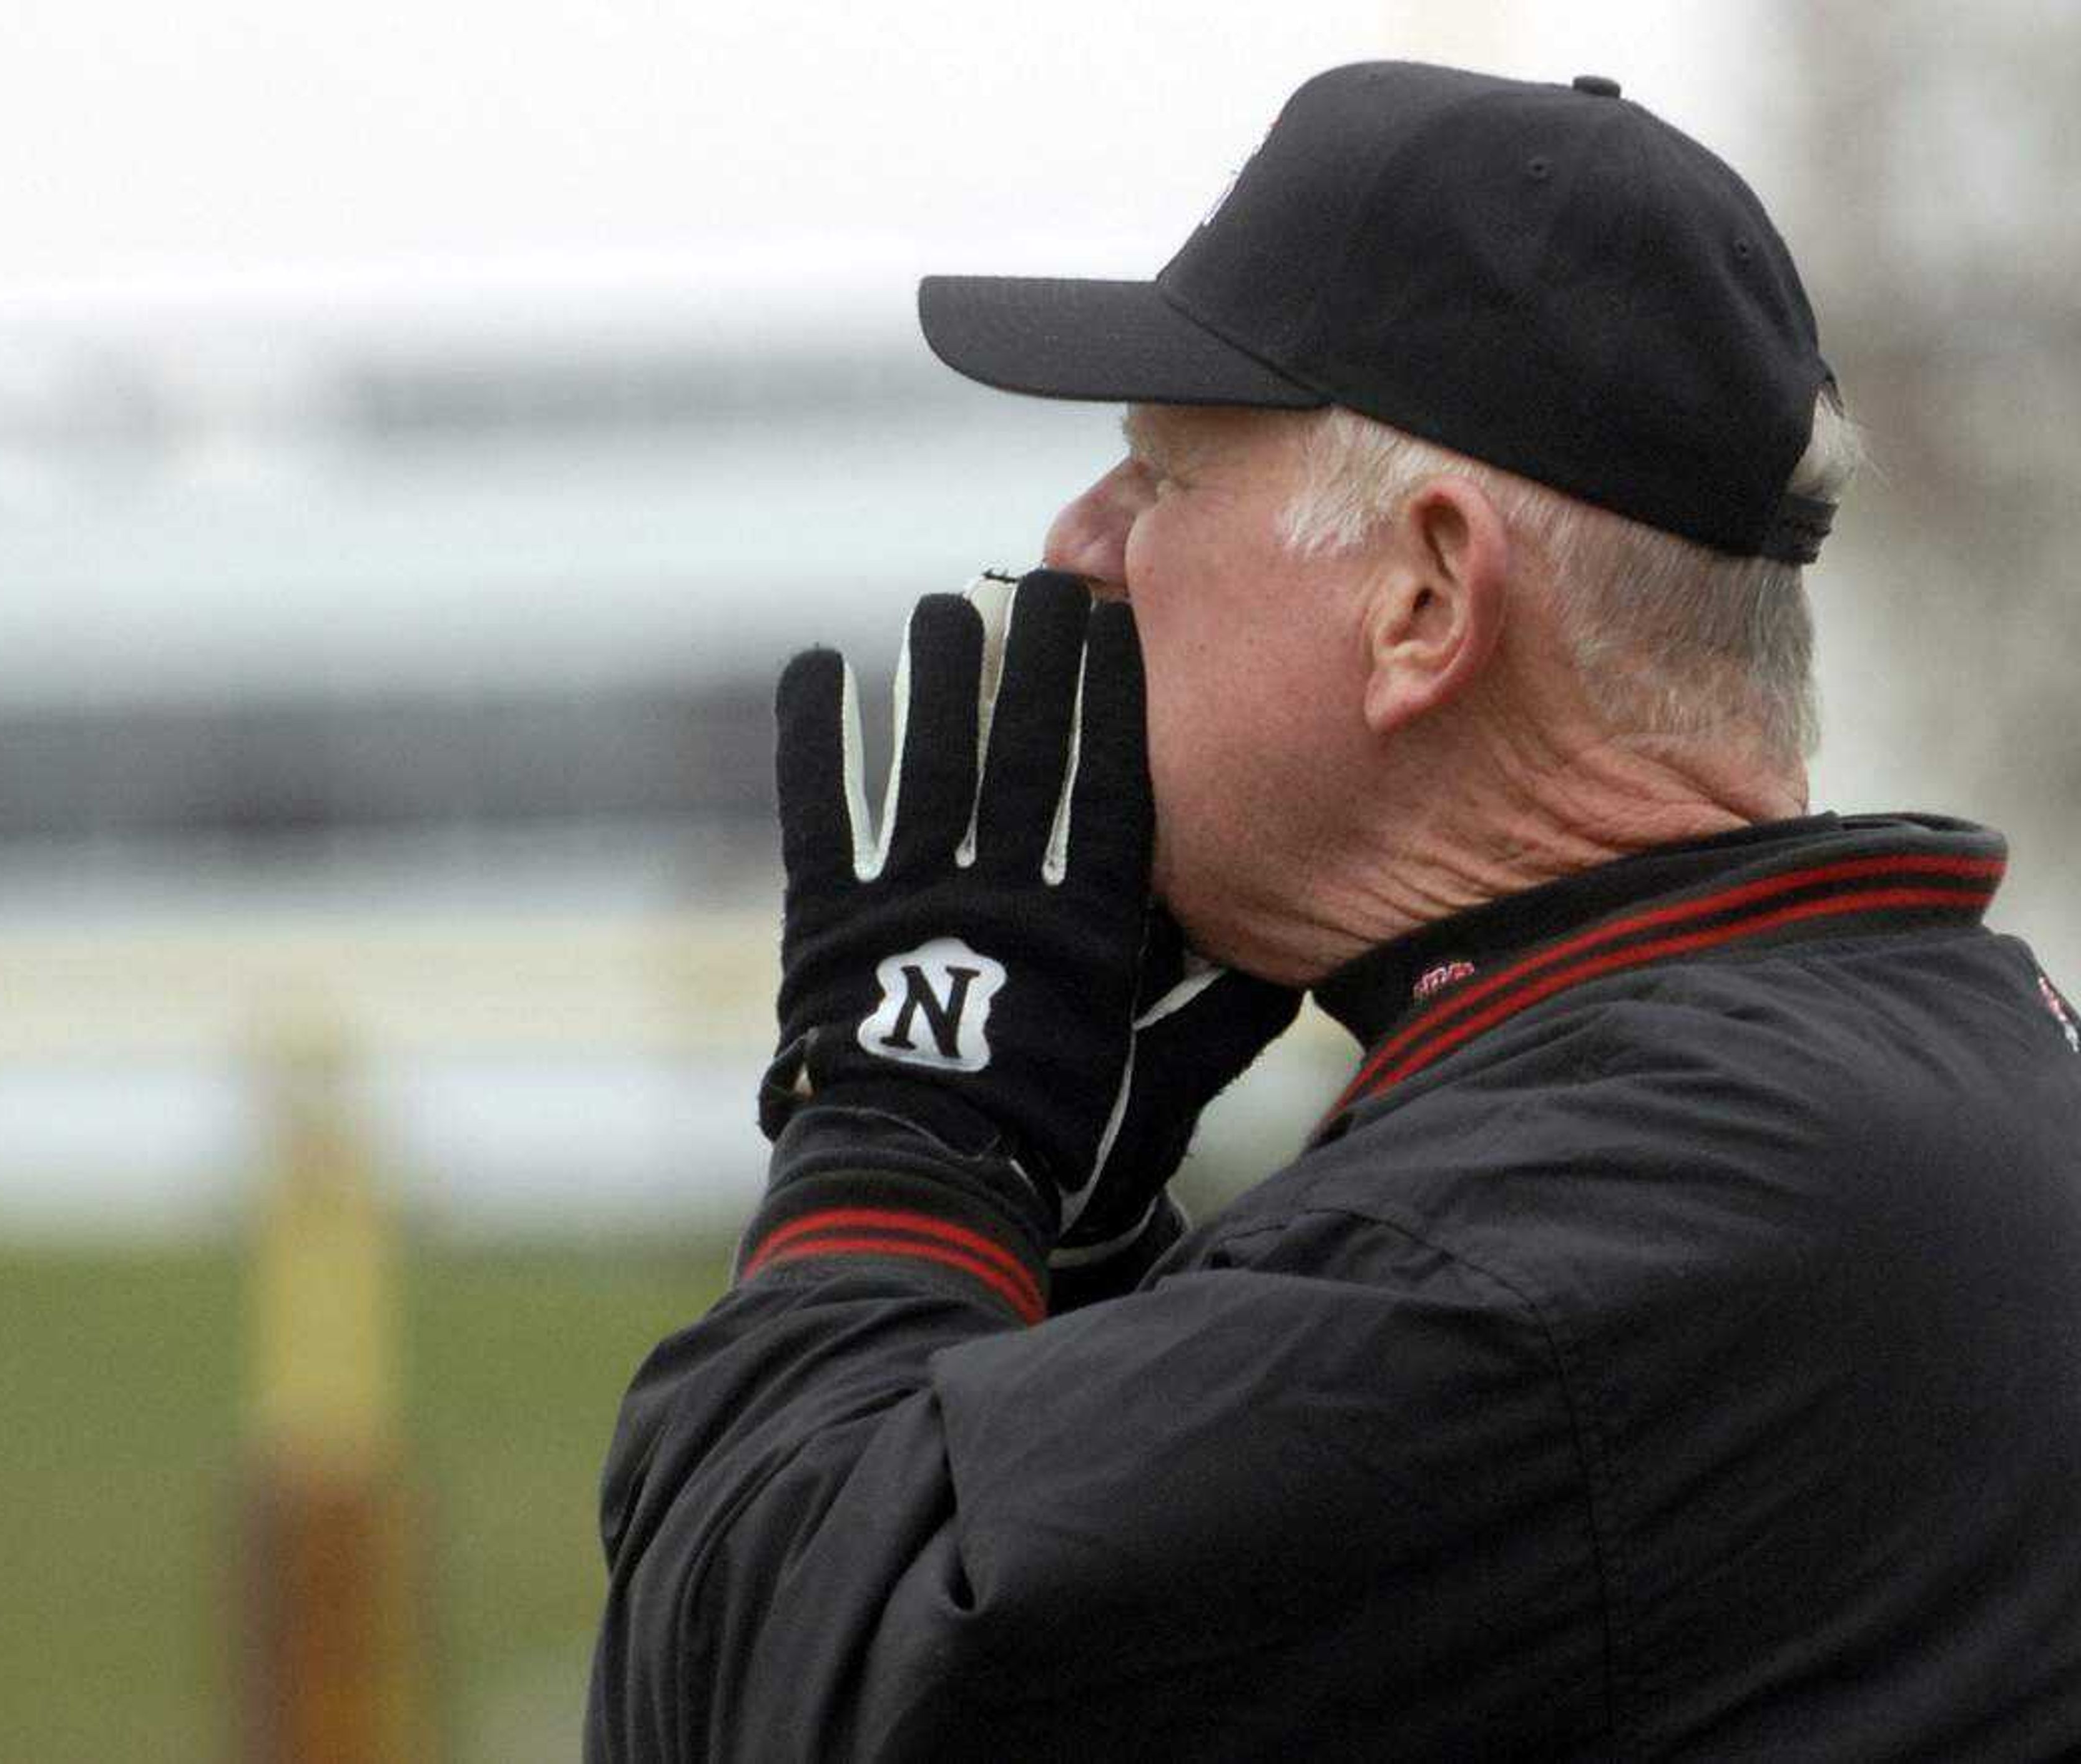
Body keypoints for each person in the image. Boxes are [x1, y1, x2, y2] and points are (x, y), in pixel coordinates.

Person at [587, 61, 2081, 1760]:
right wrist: (1082, 1246)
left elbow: (768, 1689)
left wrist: (906, 1134)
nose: (1079, 543)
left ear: (1428, 598)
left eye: (1160, 479)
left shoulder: (1560, 1239)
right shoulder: (1886, 1059)